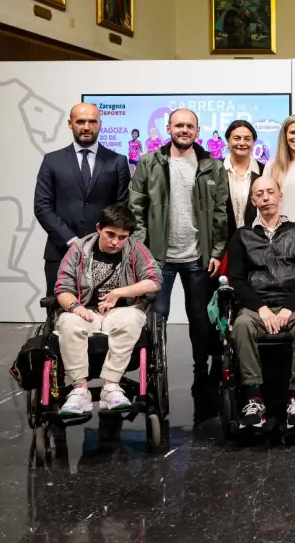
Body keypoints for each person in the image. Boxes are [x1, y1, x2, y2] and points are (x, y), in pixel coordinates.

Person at [129, 108, 228, 377]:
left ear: (198, 131)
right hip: (158, 259)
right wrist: (141, 250)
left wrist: (217, 251)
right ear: (169, 129)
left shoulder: (213, 166)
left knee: (199, 317)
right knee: (156, 317)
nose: (184, 130)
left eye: (190, 126)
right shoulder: (149, 163)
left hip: (198, 257)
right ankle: (153, 370)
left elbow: (221, 213)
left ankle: (201, 368)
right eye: (178, 125)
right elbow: (136, 209)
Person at [227, 177, 295, 429]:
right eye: (260, 194)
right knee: (242, 325)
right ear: (253, 200)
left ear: (280, 197)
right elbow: (237, 279)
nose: (266, 197)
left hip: (293, 304)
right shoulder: (241, 236)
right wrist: (262, 308)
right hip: (257, 306)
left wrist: (289, 307)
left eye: (270, 192)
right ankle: (253, 397)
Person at [53, 204, 161, 415]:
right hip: (86, 310)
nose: (115, 242)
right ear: (99, 228)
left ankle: (111, 386)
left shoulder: (135, 249)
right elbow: (62, 289)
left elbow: (154, 280)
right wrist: (75, 307)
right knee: (68, 322)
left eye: (122, 237)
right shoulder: (79, 249)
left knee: (132, 319)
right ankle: (79, 390)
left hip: (121, 311)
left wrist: (119, 292)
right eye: (110, 234)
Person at [34, 103, 130, 296]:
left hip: (106, 253)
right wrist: (71, 240)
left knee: (103, 312)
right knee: (57, 312)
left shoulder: (118, 161)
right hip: (60, 250)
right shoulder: (52, 161)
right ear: (70, 124)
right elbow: (42, 206)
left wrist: (104, 239)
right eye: (80, 121)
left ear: (100, 124)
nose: (86, 127)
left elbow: (122, 208)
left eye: (92, 121)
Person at [224, 120, 264, 235]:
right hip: (223, 244)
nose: (242, 143)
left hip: (256, 243)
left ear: (253, 142)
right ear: (228, 141)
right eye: (237, 138)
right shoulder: (216, 171)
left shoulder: (264, 171)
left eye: (247, 139)